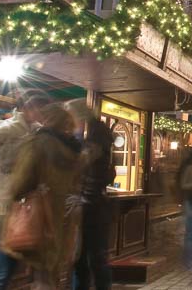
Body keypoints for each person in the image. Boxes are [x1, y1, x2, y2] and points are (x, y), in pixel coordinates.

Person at [7, 103, 83, 289]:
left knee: (40, 274)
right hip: (65, 215)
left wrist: (15, 194)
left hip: (39, 215)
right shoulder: (76, 151)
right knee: (53, 271)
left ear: (47, 120)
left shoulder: (38, 143)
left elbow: (20, 182)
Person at [0, 91, 49, 290]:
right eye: (41, 109)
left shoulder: (38, 131)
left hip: (22, 212)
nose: (43, 114)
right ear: (28, 108)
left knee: (8, 271)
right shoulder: (7, 127)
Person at [66, 99, 115, 290]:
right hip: (88, 202)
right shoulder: (87, 132)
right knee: (82, 259)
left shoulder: (95, 132)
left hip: (92, 204)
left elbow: (86, 159)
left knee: (94, 258)